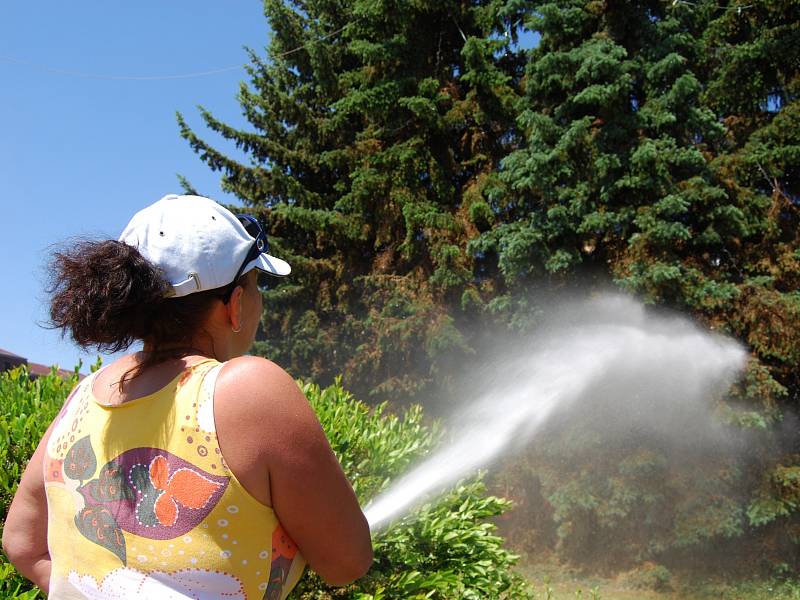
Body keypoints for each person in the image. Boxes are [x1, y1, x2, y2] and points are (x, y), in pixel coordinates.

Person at [2, 194, 373, 599]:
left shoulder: (83, 397)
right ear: (234, 305)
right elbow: (347, 562)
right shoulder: (247, 389)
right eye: (255, 286)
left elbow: (22, 543)